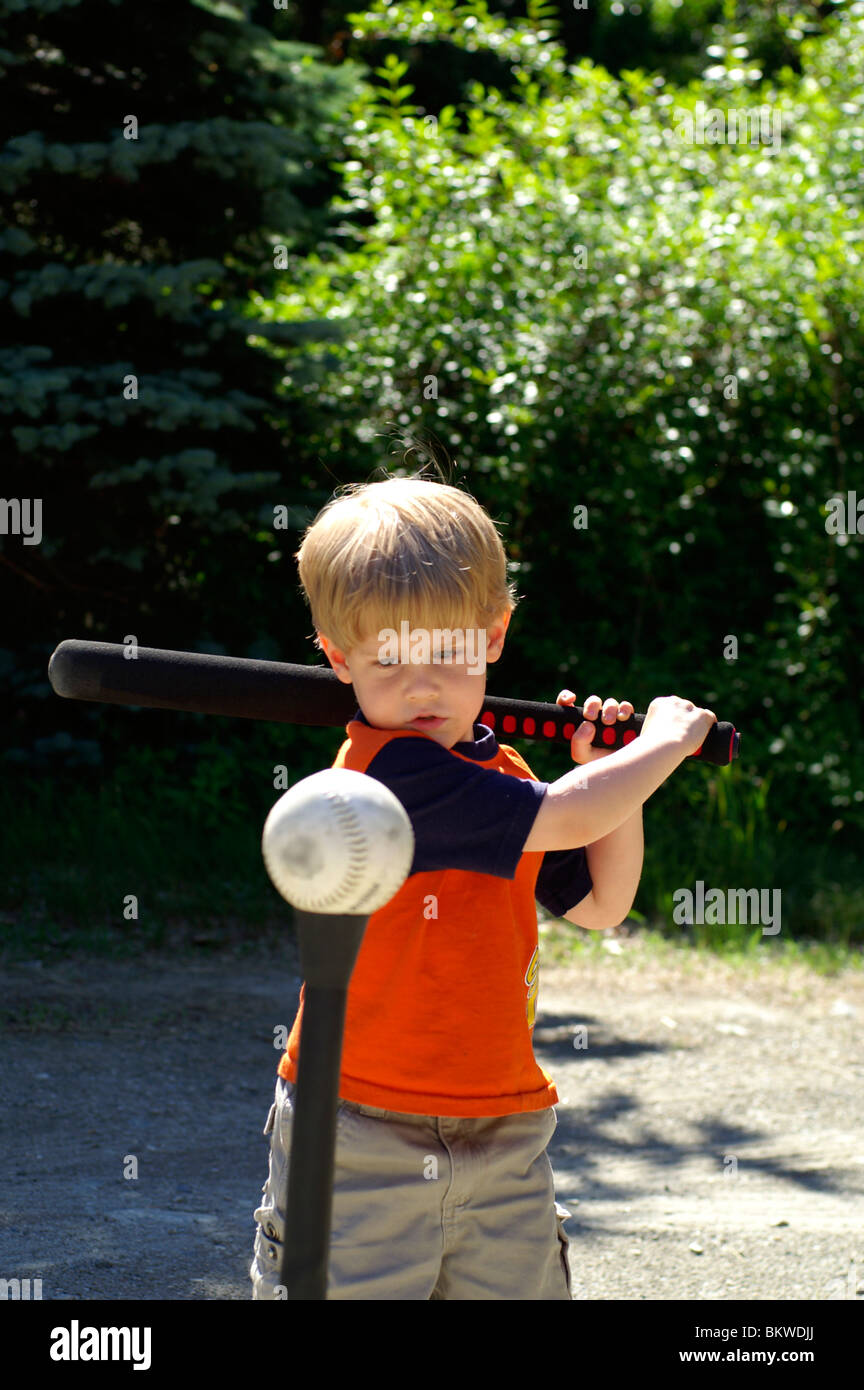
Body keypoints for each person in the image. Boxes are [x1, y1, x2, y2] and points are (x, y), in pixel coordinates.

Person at [250, 473, 715, 1300]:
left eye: (447, 652)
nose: (420, 685)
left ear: (495, 633)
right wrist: (659, 748)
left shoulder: (504, 774)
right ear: (336, 656)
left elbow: (603, 904)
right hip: (361, 1132)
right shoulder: (392, 776)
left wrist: (608, 774)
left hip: (503, 1128)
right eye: (387, 658)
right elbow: (569, 818)